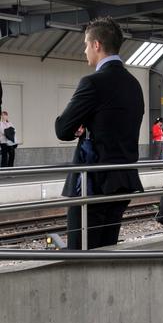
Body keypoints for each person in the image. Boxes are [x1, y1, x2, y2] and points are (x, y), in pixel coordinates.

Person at [55, 17, 144, 250]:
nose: (84, 50)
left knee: (80, 251)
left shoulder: (92, 82)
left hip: (93, 184)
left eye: (86, 44)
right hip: (123, 180)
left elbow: (62, 128)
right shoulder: (134, 84)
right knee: (107, 249)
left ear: (96, 45)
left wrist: (78, 127)